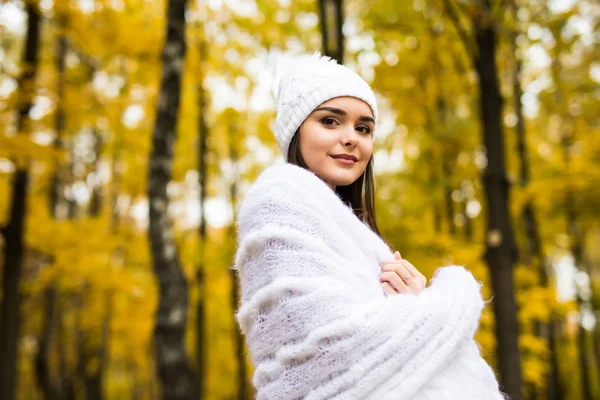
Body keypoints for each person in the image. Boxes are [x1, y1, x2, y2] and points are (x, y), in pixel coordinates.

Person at [232, 51, 507, 399]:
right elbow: (330, 349)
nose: (352, 138)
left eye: (363, 128)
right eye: (330, 121)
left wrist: (415, 297)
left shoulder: (356, 235)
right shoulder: (277, 200)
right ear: (295, 131)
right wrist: (444, 300)